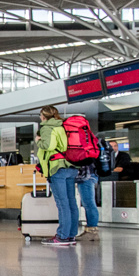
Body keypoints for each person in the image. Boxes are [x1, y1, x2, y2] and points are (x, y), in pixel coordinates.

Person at [37, 105, 77, 246]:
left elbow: (48, 145)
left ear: (43, 116)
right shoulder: (63, 126)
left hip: (57, 168)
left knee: (62, 203)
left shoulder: (47, 127)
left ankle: (62, 236)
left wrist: (38, 141)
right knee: (71, 202)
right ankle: (71, 235)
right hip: (71, 166)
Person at [74, 157, 100, 242]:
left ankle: (92, 231)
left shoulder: (86, 145)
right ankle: (91, 230)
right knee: (88, 203)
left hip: (86, 176)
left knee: (88, 203)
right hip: (89, 175)